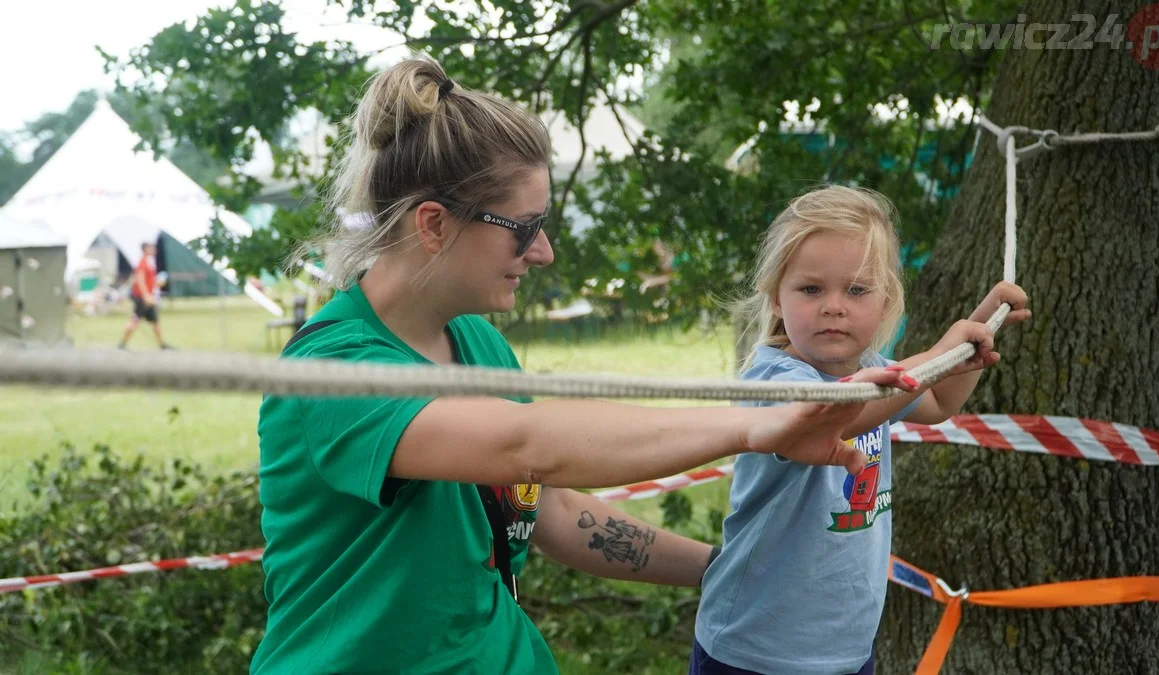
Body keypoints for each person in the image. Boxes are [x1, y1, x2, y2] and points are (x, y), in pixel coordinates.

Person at [251, 58, 921, 674]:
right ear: (433, 225)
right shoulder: (332, 372)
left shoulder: (478, 346)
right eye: (522, 226)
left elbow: (555, 510)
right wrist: (752, 426)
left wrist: (731, 568)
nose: (540, 251)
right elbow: (530, 447)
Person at [691, 186, 1032, 675]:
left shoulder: (875, 368)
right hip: (754, 647)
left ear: (886, 299)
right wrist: (939, 352)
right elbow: (834, 415)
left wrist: (976, 331)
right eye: (811, 289)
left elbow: (935, 402)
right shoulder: (776, 381)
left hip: (846, 646)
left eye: (856, 290)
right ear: (776, 299)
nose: (834, 306)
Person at [117, 241, 172, 350]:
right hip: (143, 298)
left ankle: (162, 345)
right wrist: (146, 295)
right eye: (151, 247)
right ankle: (122, 344)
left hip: (148, 297)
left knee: (155, 322)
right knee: (135, 321)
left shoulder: (149, 262)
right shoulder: (143, 263)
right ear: (145, 249)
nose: (154, 249)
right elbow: (140, 279)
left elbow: (147, 280)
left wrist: (156, 285)